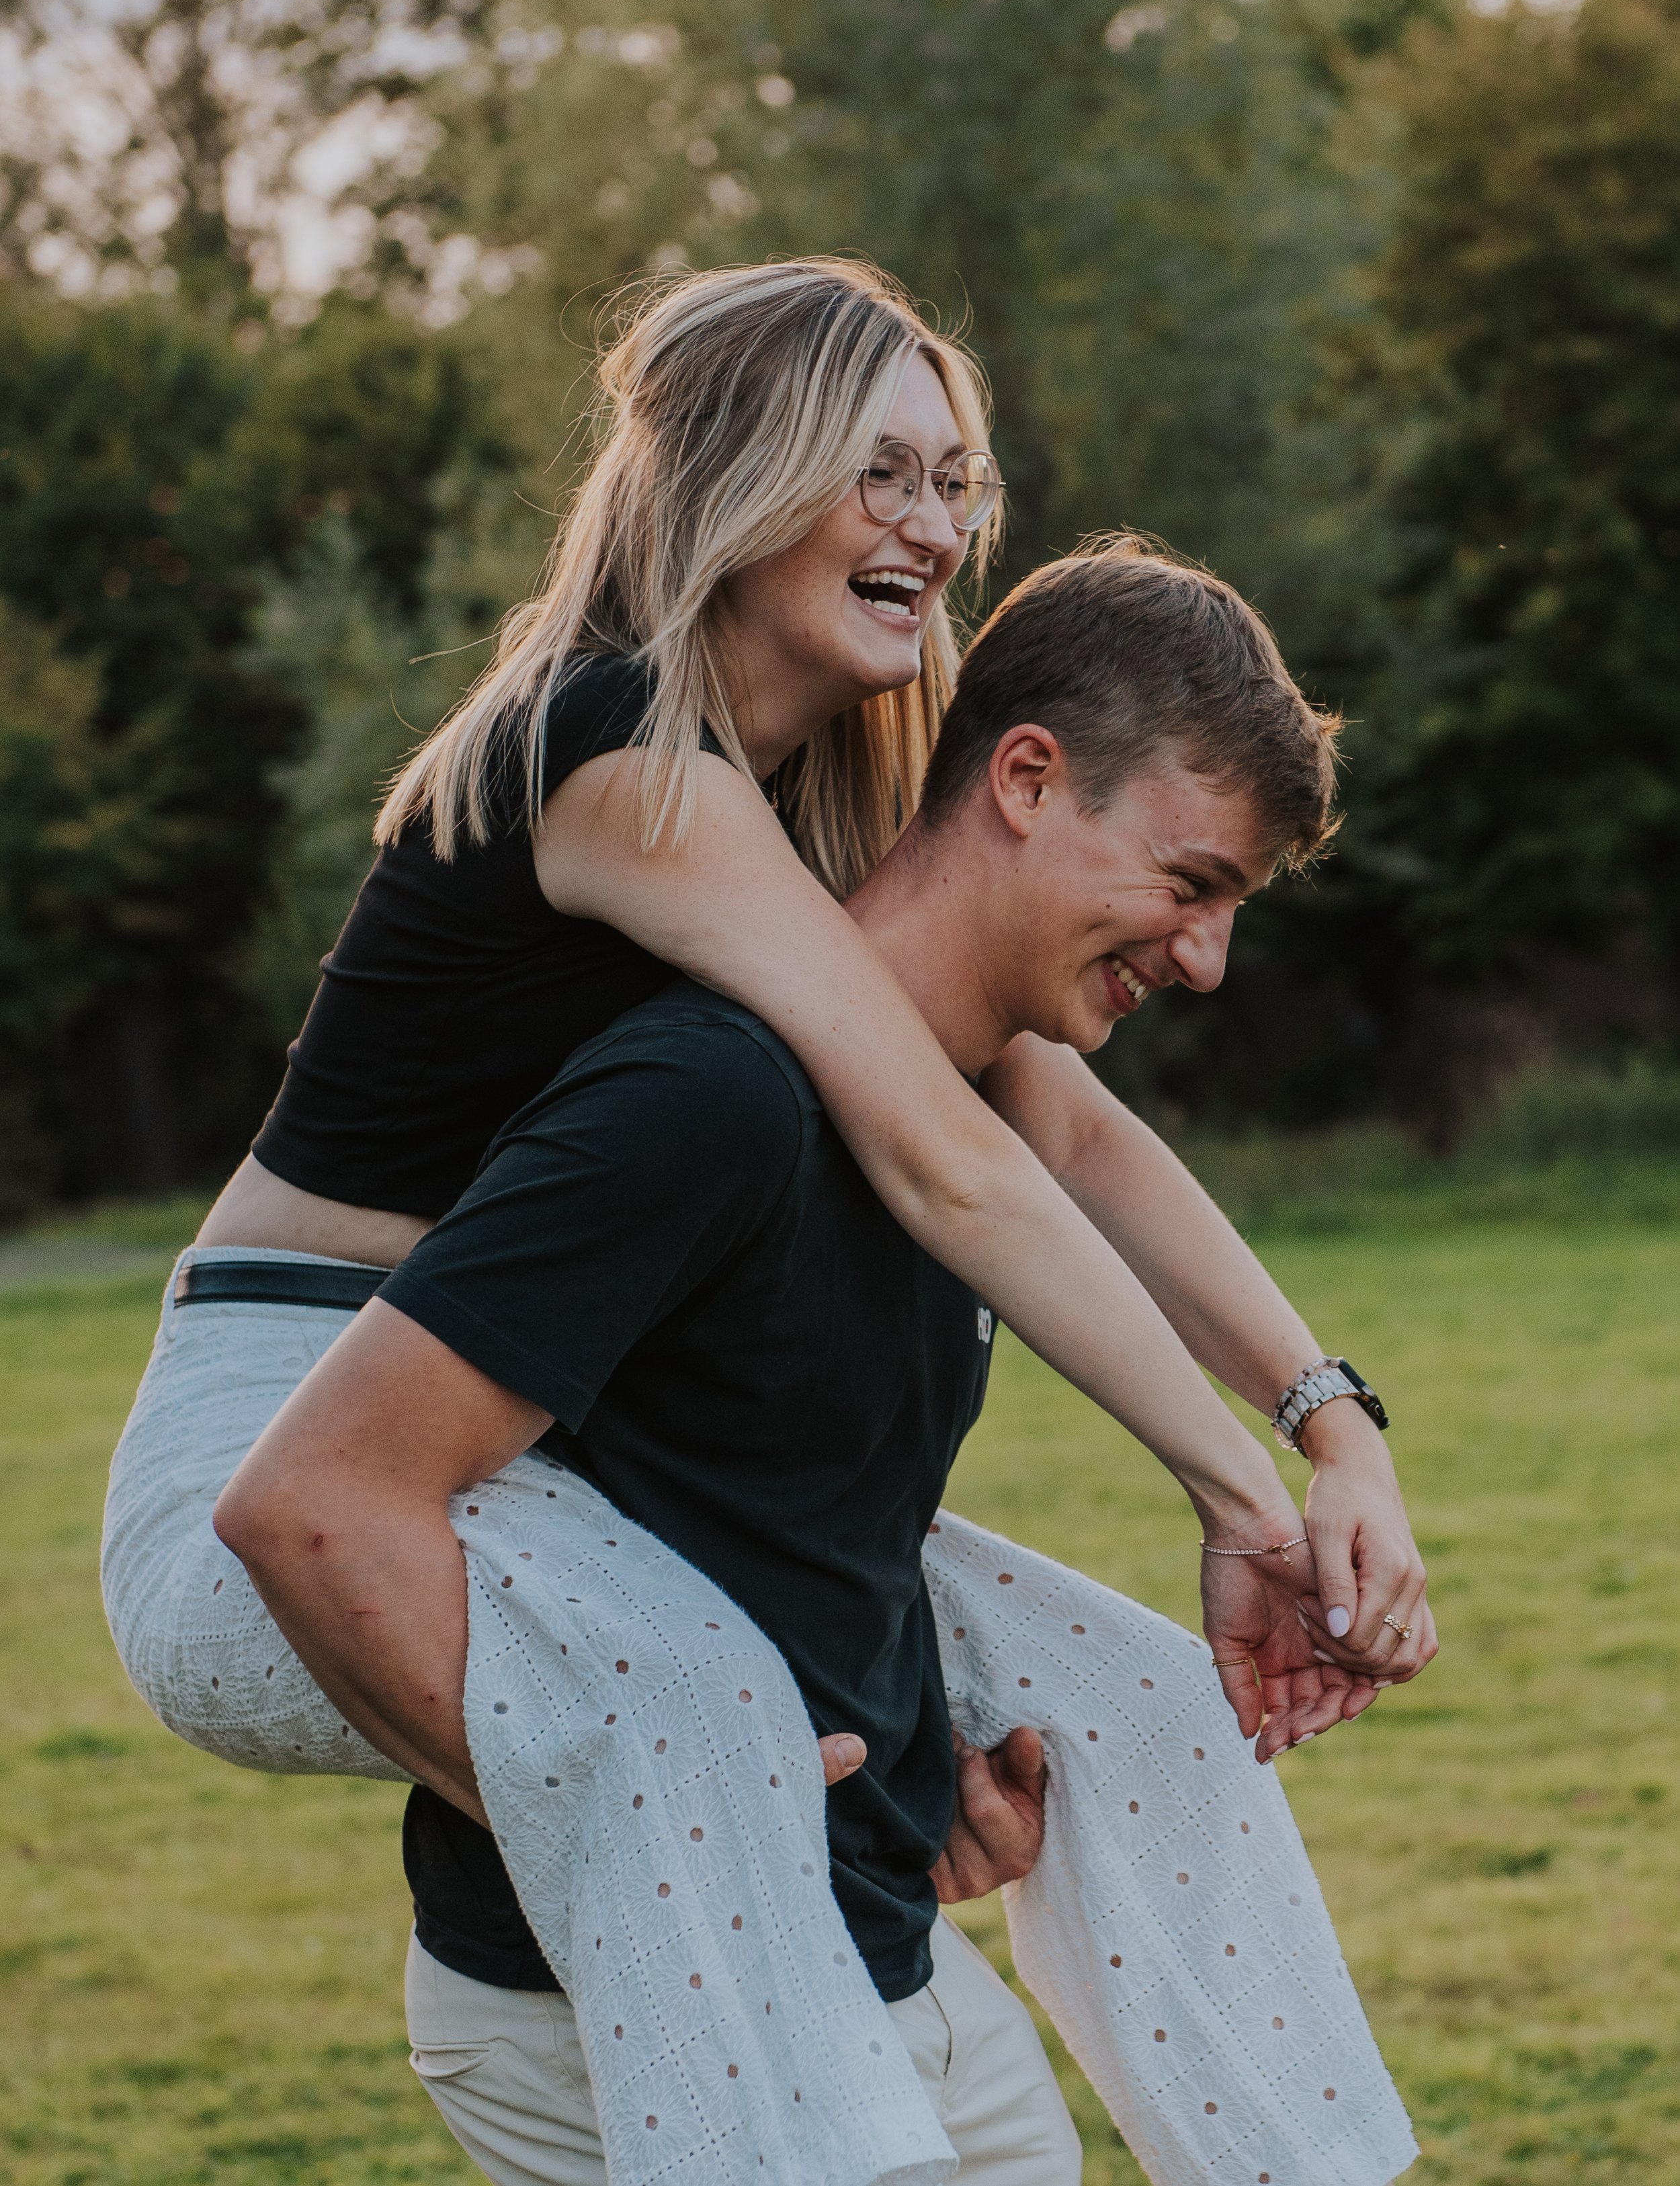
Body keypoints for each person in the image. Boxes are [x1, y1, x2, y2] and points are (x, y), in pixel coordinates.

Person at [216, 541, 1437, 2186]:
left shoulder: (970, 1116)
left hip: (886, 1956)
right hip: (623, 1991)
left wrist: (1328, 1440)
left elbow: (778, 1523)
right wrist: (639, 1809)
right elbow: (310, 1502)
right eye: (1189, 884)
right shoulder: (703, 1096)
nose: (1204, 959)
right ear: (1022, 777)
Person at [173, 257, 1425, 1708]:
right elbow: (950, 1163)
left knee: (1092, 1710)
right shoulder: (619, 754)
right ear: (735, 477)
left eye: (955, 482)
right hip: (284, 1443)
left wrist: (1331, 1426)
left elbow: (1064, 1133)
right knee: (852, 1712)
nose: (937, 528)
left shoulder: (796, 805)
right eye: (880, 472)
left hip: (483, 1442)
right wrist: (1239, 1503)